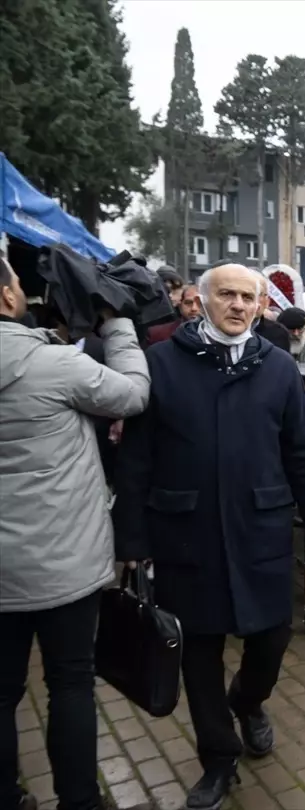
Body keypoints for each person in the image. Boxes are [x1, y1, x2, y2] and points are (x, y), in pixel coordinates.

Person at [113, 263, 305, 810]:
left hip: (258, 528)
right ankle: (218, 758)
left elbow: (303, 452)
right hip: (184, 534)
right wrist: (131, 538)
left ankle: (250, 698)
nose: (238, 305)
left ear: (261, 305)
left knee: (271, 638)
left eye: (248, 297)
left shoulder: (279, 368)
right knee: (198, 653)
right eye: (226, 295)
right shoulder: (160, 365)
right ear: (201, 300)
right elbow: (136, 459)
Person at [0, 256, 151, 810]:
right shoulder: (57, 366)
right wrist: (116, 324)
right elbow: (133, 393)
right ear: (5, 298)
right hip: (63, 562)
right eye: (14, 282)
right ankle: (80, 799)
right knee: (68, 683)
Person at [252, 273, 291, 352]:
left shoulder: (278, 332)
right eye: (246, 295)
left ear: (267, 301)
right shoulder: (224, 327)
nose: (254, 300)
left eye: (258, 294)